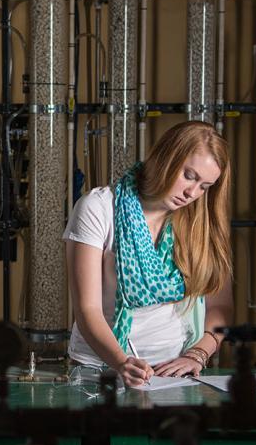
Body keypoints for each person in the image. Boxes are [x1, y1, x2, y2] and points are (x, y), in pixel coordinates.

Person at [63, 120, 233, 388]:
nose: (192, 193)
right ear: (166, 158)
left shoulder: (201, 224)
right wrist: (121, 362)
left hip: (174, 376)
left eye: (204, 186)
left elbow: (220, 307)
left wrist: (198, 354)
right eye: (189, 175)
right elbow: (87, 310)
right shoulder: (98, 209)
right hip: (99, 370)